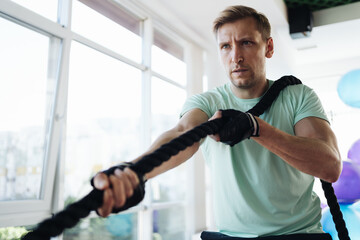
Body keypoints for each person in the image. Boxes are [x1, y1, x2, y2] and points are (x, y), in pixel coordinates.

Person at [93, 5, 342, 239]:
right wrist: (134, 172)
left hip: (297, 234)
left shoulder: (298, 96)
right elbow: (182, 133)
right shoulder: (208, 103)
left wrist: (258, 129)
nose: (236, 56)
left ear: (268, 47)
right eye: (225, 46)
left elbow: (330, 166)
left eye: (246, 43)